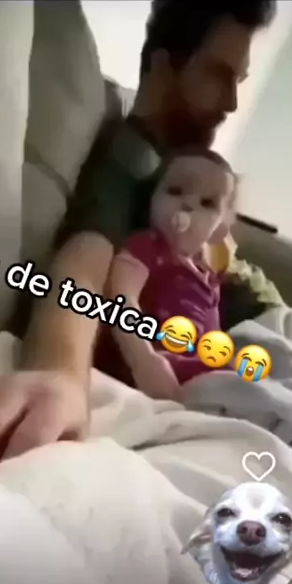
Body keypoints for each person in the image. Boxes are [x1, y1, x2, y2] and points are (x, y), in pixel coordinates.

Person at [0, 1, 277, 499]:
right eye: (218, 75)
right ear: (166, 67)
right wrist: (59, 370)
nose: (232, 102)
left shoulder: (190, 166)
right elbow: (87, 253)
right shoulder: (135, 160)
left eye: (238, 81)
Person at [95, 148, 238, 401]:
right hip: (156, 362)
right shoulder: (147, 247)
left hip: (198, 367)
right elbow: (120, 298)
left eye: (207, 203)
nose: (188, 204)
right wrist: (143, 359)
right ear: (152, 199)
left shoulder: (208, 277)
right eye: (175, 190)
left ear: (220, 229)